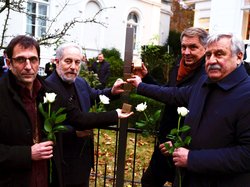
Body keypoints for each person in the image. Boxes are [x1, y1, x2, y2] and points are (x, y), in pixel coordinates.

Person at [0, 35, 133, 187]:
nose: (28, 66)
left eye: (33, 59)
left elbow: (78, 117)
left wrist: (115, 112)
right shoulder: (9, 94)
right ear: (9, 62)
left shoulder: (46, 90)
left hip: (47, 176)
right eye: (21, 59)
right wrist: (28, 154)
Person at [127, 33, 250, 186]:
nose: (212, 60)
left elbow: (246, 154)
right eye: (208, 55)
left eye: (219, 54)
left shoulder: (246, 94)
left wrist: (192, 158)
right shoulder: (204, 83)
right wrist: (180, 145)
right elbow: (173, 94)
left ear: (239, 57)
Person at [134, 27, 208, 187]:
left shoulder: (205, 74)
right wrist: (146, 78)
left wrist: (178, 143)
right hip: (165, 141)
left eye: (193, 47)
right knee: (149, 181)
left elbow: (176, 95)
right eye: (183, 47)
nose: (186, 52)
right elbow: (169, 93)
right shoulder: (179, 66)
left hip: (184, 146)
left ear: (205, 48)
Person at [46, 42, 123, 187]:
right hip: (61, 160)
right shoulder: (49, 87)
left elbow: (95, 95)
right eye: (68, 61)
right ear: (57, 62)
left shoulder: (80, 82)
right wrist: (74, 132)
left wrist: (111, 92)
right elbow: (50, 128)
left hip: (83, 157)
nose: (73, 67)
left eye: (77, 62)